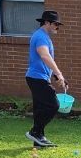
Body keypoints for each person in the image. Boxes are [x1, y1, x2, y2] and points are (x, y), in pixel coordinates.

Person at [25, 10, 68, 148]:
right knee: (53, 105)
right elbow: (45, 56)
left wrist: (55, 75)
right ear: (47, 23)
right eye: (56, 24)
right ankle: (35, 132)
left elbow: (45, 60)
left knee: (40, 108)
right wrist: (59, 74)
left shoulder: (43, 36)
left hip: (37, 77)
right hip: (37, 78)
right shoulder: (41, 37)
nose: (57, 27)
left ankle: (38, 140)